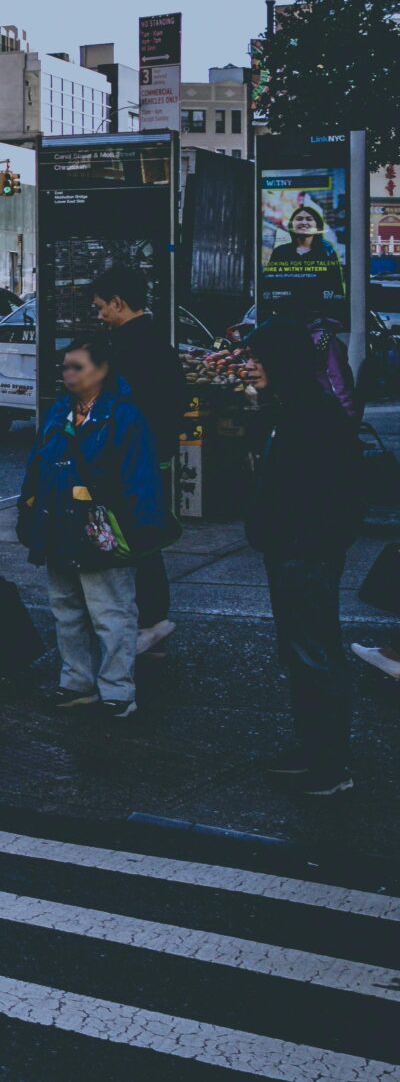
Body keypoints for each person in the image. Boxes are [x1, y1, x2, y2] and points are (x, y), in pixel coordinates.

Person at [241, 320, 365, 797]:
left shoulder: (311, 415)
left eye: (258, 357)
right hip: (295, 549)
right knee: (301, 655)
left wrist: (304, 539)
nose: (250, 365)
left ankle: (329, 765)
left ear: (281, 360)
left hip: (304, 552)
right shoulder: (293, 406)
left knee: (312, 655)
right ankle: (315, 752)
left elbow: (335, 493)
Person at [17, 337, 167, 719]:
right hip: (56, 526)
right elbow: (37, 464)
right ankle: (77, 684)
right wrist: (26, 511)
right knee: (66, 610)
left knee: (111, 613)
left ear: (102, 371)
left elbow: (141, 475)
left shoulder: (125, 416)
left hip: (101, 531)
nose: (68, 373)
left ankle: (117, 690)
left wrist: (144, 527)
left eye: (77, 366)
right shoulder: (58, 412)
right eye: (65, 366)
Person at [89, 268, 188, 653]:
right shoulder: (157, 343)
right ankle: (154, 617)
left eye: (101, 307)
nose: (99, 315)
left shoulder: (126, 349)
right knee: (146, 538)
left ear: (118, 302)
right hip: (153, 457)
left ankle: (143, 620)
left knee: (125, 538)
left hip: (129, 463)